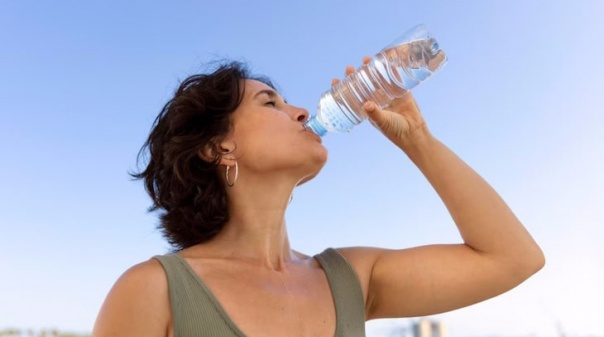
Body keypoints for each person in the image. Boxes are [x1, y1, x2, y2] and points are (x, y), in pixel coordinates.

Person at [91, 59, 545, 337]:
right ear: (217, 147)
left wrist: (419, 140)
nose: (302, 112)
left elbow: (513, 258)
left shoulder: (351, 279)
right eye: (270, 103)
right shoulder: (154, 290)